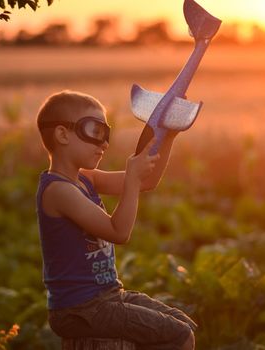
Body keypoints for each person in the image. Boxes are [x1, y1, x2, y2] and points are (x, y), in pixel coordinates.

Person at [35, 90, 197, 350]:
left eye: (106, 134)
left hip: (106, 297)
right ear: (62, 134)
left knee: (182, 325)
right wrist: (131, 179)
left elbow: (147, 180)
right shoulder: (58, 190)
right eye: (94, 131)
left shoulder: (86, 178)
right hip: (80, 309)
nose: (104, 144)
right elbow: (119, 232)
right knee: (178, 336)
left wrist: (168, 134)